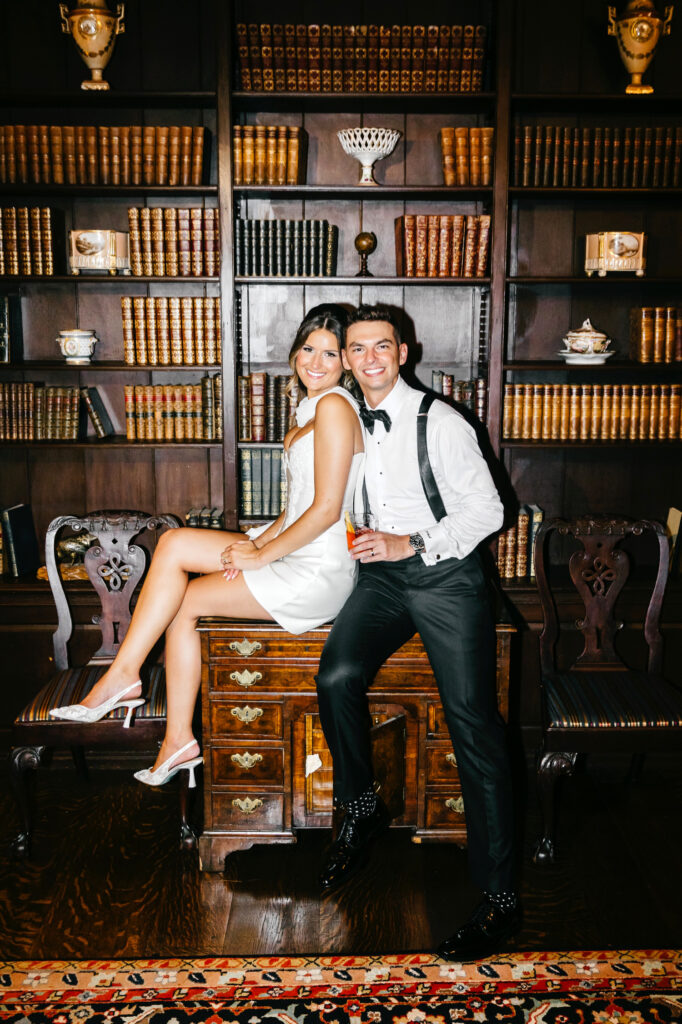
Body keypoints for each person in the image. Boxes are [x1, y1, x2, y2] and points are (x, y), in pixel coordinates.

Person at [50, 304, 365, 790]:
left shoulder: (335, 406)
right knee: (176, 557)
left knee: (181, 581)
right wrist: (253, 541)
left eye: (330, 353)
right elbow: (295, 507)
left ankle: (128, 684)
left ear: (346, 361)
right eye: (308, 348)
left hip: (319, 568)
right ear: (295, 351)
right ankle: (170, 730)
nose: (316, 362)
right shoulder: (310, 410)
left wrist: (258, 555)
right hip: (294, 549)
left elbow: (326, 510)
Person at [315, 304, 519, 962]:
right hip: (382, 579)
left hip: (445, 575)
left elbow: (490, 510)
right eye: (357, 349)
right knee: (337, 675)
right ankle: (361, 806)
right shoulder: (344, 413)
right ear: (346, 359)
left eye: (382, 346)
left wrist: (413, 541)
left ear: (404, 352)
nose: (369, 358)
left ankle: (499, 898)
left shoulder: (442, 421)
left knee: (473, 724)